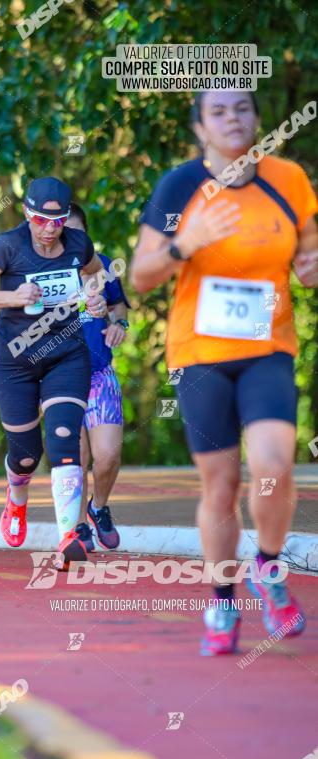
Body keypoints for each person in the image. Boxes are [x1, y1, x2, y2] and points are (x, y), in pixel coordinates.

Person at [130, 89, 318, 655]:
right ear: (200, 128)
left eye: (242, 109)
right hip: (200, 355)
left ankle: (266, 564)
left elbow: (309, 261)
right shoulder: (178, 188)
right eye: (219, 111)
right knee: (221, 486)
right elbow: (140, 275)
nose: (232, 119)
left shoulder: (288, 180)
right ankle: (221, 597)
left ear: (258, 120)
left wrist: (312, 265)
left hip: (267, 349)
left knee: (274, 465)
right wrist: (185, 244)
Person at [0, 177, 108, 568]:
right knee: (26, 455)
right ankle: (16, 498)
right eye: (41, 220)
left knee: (64, 440)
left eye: (57, 222)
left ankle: (67, 536)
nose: (48, 230)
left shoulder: (78, 245)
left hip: (67, 355)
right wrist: (12, 296)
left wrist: (95, 300)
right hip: (14, 359)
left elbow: (97, 275)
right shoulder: (8, 245)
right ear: (28, 214)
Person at [65, 203, 130, 551]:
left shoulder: (103, 266)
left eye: (78, 233)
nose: (72, 239)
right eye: (65, 232)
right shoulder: (47, 272)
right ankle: (77, 527)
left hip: (100, 374)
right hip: (61, 377)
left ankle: (98, 507)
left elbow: (119, 305)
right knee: (75, 457)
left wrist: (119, 324)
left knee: (108, 455)